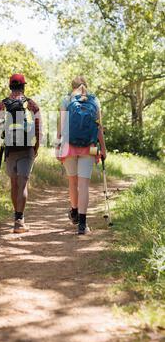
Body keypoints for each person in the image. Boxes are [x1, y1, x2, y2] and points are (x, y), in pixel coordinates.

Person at [56, 76, 107, 234]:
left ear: (72, 87)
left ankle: (74, 211)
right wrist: (103, 149)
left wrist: (58, 143)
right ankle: (83, 225)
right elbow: (99, 128)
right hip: (90, 147)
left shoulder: (66, 99)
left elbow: (62, 125)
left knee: (72, 181)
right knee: (84, 184)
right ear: (86, 85)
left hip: (68, 146)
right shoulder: (95, 100)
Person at [0, 74, 42, 233]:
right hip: (26, 147)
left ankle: (16, 218)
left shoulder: (2, 104)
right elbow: (38, 125)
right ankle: (19, 220)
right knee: (23, 183)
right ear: (23, 86)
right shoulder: (30, 104)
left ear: (10, 86)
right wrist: (37, 145)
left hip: (10, 149)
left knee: (14, 183)